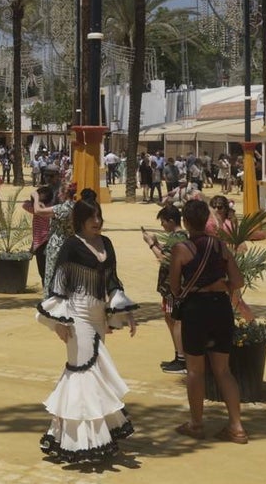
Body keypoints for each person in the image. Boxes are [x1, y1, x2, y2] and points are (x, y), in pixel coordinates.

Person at [37, 199, 137, 463]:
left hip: (97, 317)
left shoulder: (108, 244)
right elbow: (58, 283)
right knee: (83, 370)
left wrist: (123, 311)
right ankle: (78, 441)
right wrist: (60, 321)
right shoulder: (71, 245)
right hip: (77, 315)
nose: (97, 221)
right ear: (81, 220)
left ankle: (86, 436)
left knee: (94, 372)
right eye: (92, 217)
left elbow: (113, 281)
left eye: (99, 216)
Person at [169, 199, 248, 444]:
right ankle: (236, 427)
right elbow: (238, 281)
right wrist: (220, 284)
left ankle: (196, 423)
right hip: (221, 307)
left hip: (196, 309)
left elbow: (174, 287)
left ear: (185, 222)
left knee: (195, 370)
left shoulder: (181, 249)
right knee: (224, 370)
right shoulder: (220, 246)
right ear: (207, 220)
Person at [143, 204, 188, 374]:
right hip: (173, 286)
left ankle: (181, 358)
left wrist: (151, 245)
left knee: (174, 319)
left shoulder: (176, 238)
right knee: (172, 318)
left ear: (170, 221)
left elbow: (164, 259)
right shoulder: (181, 237)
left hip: (172, 287)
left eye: (163, 222)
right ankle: (179, 355)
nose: (162, 225)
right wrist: (157, 244)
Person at [24, 184, 56, 284]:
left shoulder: (37, 210)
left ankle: (47, 296)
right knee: (48, 271)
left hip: (42, 243)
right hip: (46, 241)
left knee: (43, 272)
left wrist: (36, 198)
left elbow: (24, 204)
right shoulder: (50, 208)